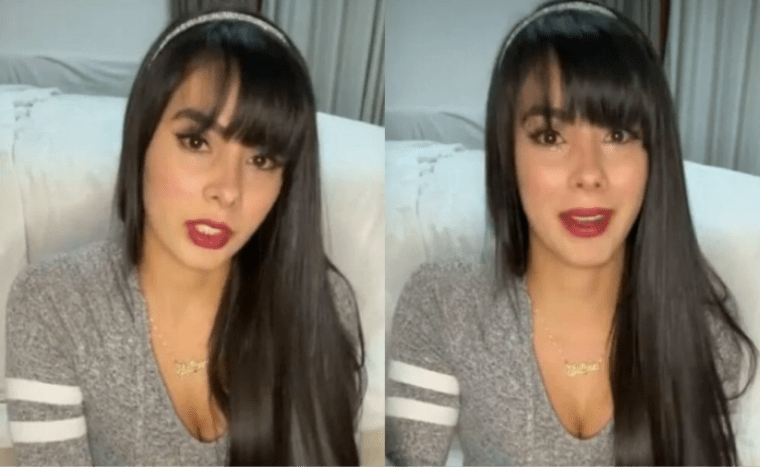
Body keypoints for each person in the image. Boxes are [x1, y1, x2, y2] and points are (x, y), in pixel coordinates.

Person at [385, 0, 757, 465]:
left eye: (618, 135)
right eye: (550, 136)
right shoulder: (445, 302)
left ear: (654, 158)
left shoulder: (700, 331)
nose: (589, 174)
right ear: (507, 154)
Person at [5, 9, 364, 466]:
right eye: (196, 142)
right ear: (141, 139)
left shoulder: (321, 302)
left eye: (261, 160)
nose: (227, 190)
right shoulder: (56, 304)